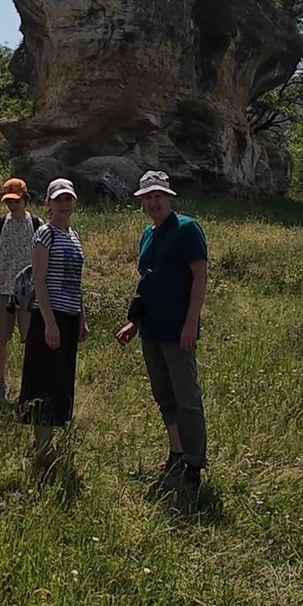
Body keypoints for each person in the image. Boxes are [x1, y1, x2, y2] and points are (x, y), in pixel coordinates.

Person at [115, 170, 210, 492]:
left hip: (178, 329)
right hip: (151, 328)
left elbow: (200, 277)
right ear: (142, 201)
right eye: (148, 197)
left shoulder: (187, 228)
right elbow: (147, 283)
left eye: (158, 195)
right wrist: (135, 321)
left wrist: (190, 323)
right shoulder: (148, 233)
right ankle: (176, 452)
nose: (153, 202)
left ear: (168, 196)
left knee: (187, 398)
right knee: (164, 395)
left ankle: (193, 465)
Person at [19, 178, 89, 460]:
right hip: (49, 315)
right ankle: (42, 446)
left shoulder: (74, 236)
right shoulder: (44, 234)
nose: (64, 204)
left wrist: (82, 318)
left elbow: (77, 282)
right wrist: (49, 322)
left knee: (61, 378)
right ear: (48, 203)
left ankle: (48, 442)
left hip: (70, 316)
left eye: (68, 199)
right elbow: (38, 280)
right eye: (58, 199)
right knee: (44, 378)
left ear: (75, 202)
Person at [0, 177, 39, 410]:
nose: (12, 205)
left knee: (31, 340)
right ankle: (1, 385)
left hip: (28, 291)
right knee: (1, 339)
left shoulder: (37, 224)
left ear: (25, 198)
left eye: (15, 200)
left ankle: (30, 386)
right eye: (8, 201)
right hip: (1, 288)